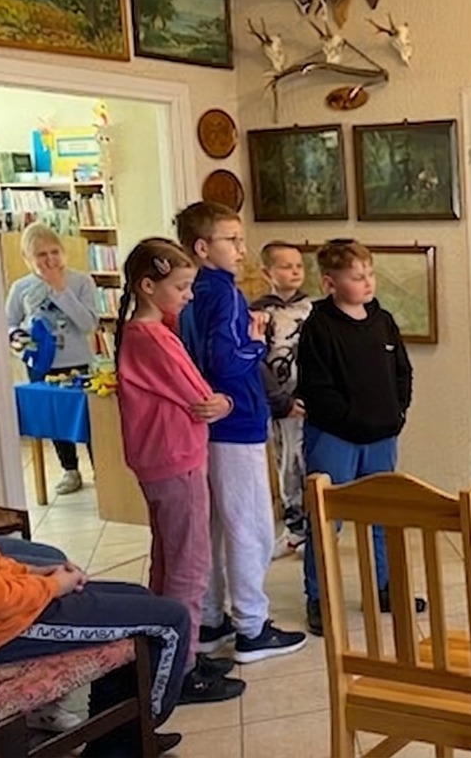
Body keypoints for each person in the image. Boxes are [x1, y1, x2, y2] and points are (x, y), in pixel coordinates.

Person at [114, 238, 245, 704]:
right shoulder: (153, 337)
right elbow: (202, 398)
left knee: (168, 561)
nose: (189, 296)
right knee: (189, 568)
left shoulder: (137, 332)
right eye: (181, 287)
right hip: (178, 464)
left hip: (158, 463)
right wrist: (227, 400)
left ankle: (164, 655)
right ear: (148, 286)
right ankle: (181, 669)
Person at [175, 202, 306, 664]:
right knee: (250, 525)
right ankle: (252, 626)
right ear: (202, 247)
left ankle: (211, 620)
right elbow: (227, 361)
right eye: (231, 240)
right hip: (237, 422)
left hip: (207, 426)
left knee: (214, 525)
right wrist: (255, 341)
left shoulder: (189, 292)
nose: (241, 249)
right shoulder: (226, 294)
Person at [297, 239, 423, 637]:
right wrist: (353, 422)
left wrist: (398, 411)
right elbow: (318, 389)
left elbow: (402, 371)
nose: (367, 282)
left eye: (370, 274)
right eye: (357, 277)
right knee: (326, 520)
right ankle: (319, 597)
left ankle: (384, 588)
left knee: (382, 516)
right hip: (335, 437)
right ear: (330, 283)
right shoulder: (318, 327)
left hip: (382, 437)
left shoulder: (383, 321)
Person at [0, 538, 190, 757]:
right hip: (7, 627)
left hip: (12, 608)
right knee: (171, 620)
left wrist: (33, 572)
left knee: (140, 596)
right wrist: (54, 585)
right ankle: (139, 732)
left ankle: (120, 742)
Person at [5, 221, 99, 496]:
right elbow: (8, 324)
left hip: (78, 362)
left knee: (88, 418)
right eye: (41, 255)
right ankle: (70, 469)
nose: (50, 260)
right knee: (55, 417)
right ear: (27, 258)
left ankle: (101, 470)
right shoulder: (21, 288)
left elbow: (88, 324)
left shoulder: (81, 281)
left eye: (54, 252)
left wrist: (60, 290)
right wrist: (21, 340)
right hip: (42, 365)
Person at [250, 241, 313, 559]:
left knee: (308, 462)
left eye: (299, 266)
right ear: (268, 272)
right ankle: (294, 528)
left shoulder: (312, 309)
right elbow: (256, 359)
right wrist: (278, 399)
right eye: (286, 267)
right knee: (286, 464)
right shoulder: (258, 312)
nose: (295, 272)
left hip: (310, 401)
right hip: (280, 403)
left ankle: (314, 530)